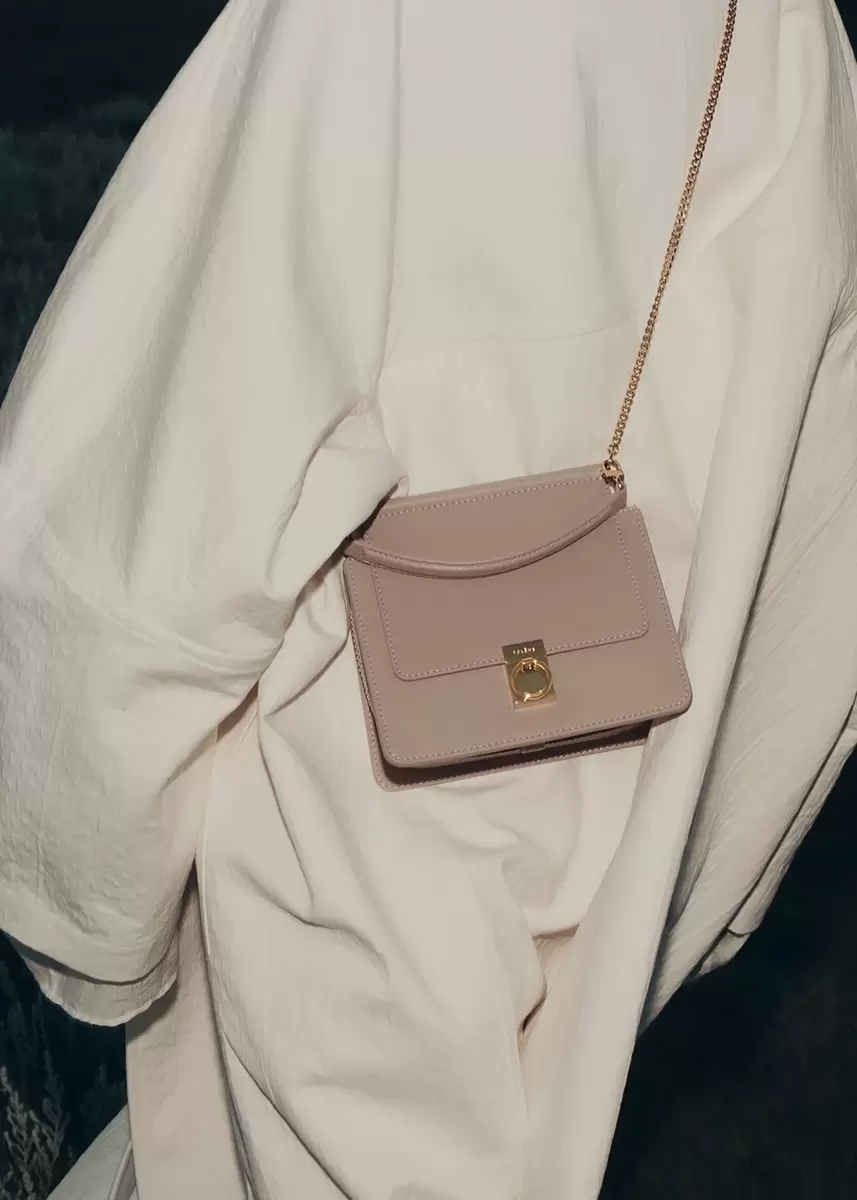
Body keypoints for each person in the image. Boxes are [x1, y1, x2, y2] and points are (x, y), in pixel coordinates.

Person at [2, 1, 857, 1197]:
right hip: (621, 839)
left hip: (335, 873)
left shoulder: (386, 21)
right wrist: (692, 876)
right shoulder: (784, 34)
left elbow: (164, 480)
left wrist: (91, 897)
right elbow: (815, 548)